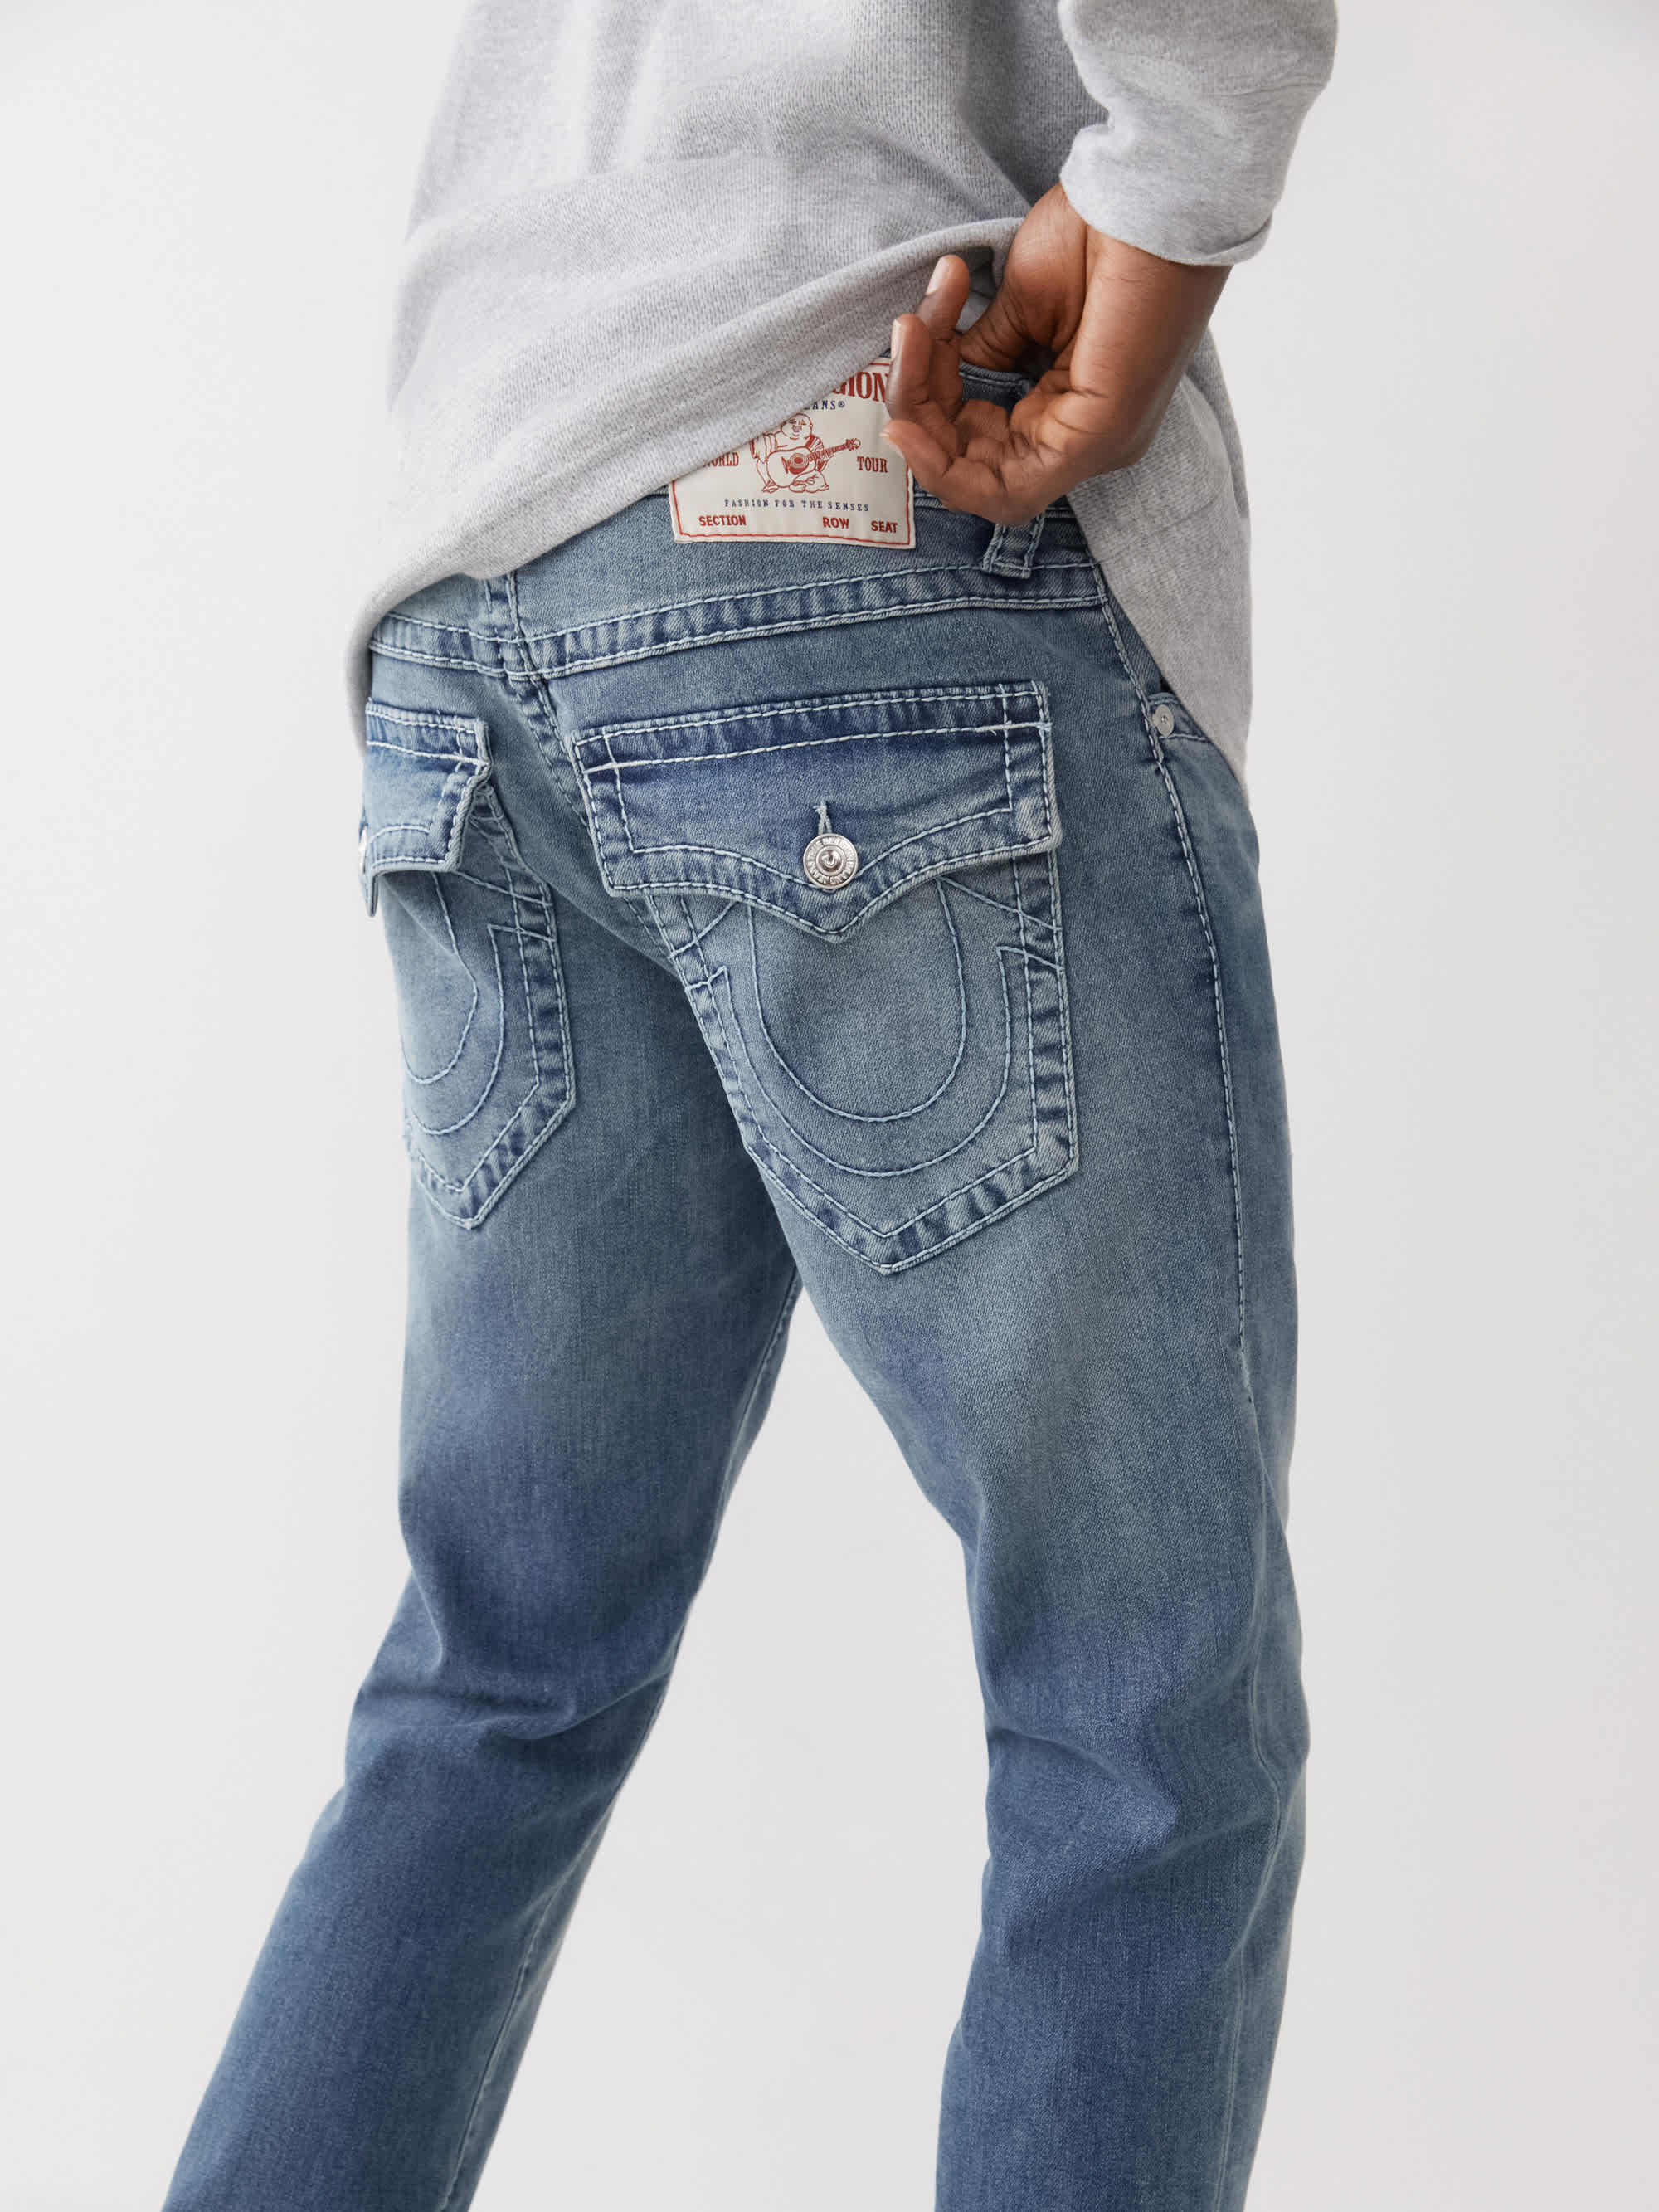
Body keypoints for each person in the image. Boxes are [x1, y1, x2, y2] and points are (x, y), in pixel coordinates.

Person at [162, 3, 1336, 2206]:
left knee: (497, 1676)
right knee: (1141, 1719)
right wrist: (1169, 195)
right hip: (871, 471)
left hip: (477, 574)